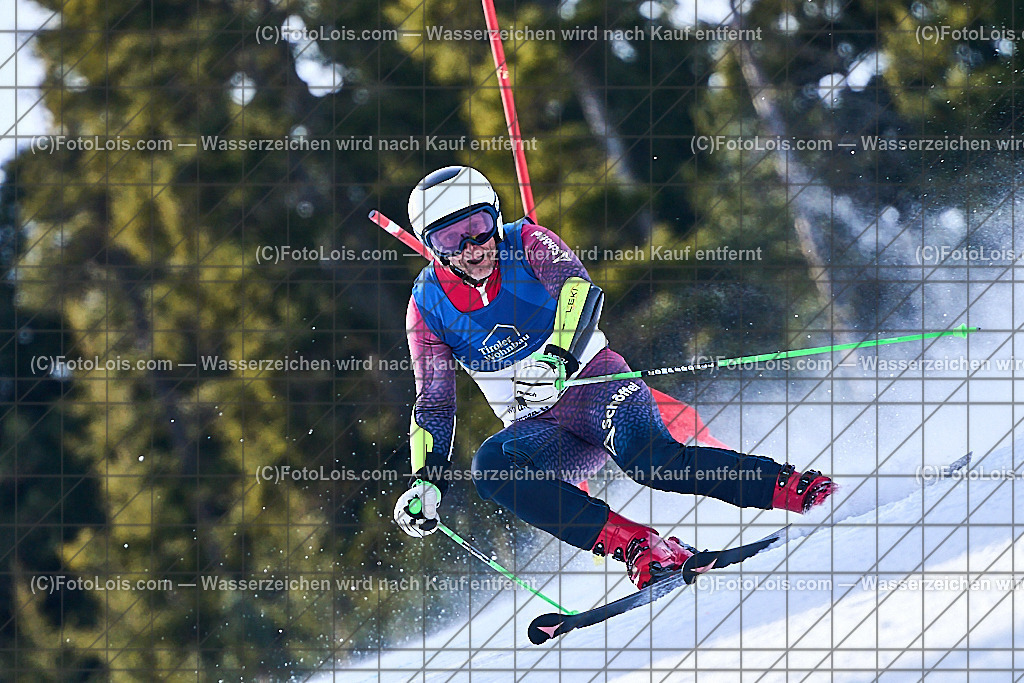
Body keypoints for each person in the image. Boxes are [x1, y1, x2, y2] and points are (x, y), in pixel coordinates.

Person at [393, 166, 835, 589]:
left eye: (478, 226)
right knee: (491, 467)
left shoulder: (526, 241)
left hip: (596, 387)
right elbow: (434, 402)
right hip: (541, 429)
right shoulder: (427, 304)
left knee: (651, 462)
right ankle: (639, 547)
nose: (472, 248)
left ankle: (793, 489)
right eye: (450, 239)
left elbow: (579, 290)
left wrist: (557, 360)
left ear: (495, 214)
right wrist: (426, 481)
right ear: (431, 246)